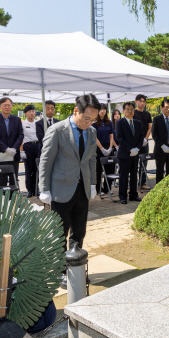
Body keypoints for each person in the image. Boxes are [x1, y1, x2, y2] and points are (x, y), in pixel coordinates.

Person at [38, 94, 99, 252]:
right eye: (86, 118)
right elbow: (46, 161)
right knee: (59, 234)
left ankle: (75, 268)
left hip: (82, 189)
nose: (89, 123)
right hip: (61, 191)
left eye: (93, 120)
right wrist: (43, 188)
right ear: (75, 111)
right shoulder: (57, 131)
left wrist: (93, 183)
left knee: (79, 232)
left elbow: (92, 158)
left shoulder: (92, 132)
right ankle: (60, 272)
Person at [0, 97, 24, 187]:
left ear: (12, 106)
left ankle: (13, 199)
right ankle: (3, 200)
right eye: (4, 105)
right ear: (0, 106)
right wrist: (6, 149)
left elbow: (20, 135)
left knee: (14, 179)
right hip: (1, 154)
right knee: (2, 180)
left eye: (9, 105)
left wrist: (14, 148)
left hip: (14, 154)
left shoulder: (17, 120)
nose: (7, 107)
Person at [116, 101, 143, 204]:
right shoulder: (120, 122)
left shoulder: (137, 123)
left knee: (133, 176)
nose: (130, 111)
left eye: (132, 109)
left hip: (135, 154)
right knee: (123, 176)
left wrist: (137, 149)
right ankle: (122, 196)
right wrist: (129, 149)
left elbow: (141, 137)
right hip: (124, 154)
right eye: (127, 109)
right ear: (123, 111)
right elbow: (120, 138)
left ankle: (133, 194)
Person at [152, 99, 169, 184]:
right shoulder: (157, 119)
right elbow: (154, 135)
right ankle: (159, 192)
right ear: (162, 107)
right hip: (160, 151)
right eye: (166, 107)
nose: (168, 109)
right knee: (159, 172)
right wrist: (162, 146)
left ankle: (168, 190)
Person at [94, 104, 115, 195]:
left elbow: (112, 136)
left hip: (108, 147)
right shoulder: (94, 123)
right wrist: (102, 148)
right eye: (101, 109)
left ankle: (107, 188)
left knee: (110, 168)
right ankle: (98, 189)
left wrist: (110, 147)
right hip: (98, 148)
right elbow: (94, 137)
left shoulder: (109, 122)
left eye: (104, 109)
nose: (102, 111)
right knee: (98, 170)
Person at [133, 94, 152, 191]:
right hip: (135, 143)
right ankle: (133, 183)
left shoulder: (147, 114)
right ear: (136, 102)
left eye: (144, 101)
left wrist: (146, 138)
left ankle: (142, 183)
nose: (142, 103)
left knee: (144, 162)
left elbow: (149, 128)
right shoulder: (133, 113)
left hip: (144, 142)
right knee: (134, 163)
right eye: (140, 101)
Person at [21, 104, 39, 197]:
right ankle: (29, 189)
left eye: (33, 111)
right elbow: (20, 138)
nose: (32, 113)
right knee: (29, 169)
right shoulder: (23, 124)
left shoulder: (38, 123)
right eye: (29, 112)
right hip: (28, 147)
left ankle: (36, 188)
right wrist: (21, 151)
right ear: (26, 114)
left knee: (37, 168)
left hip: (37, 146)